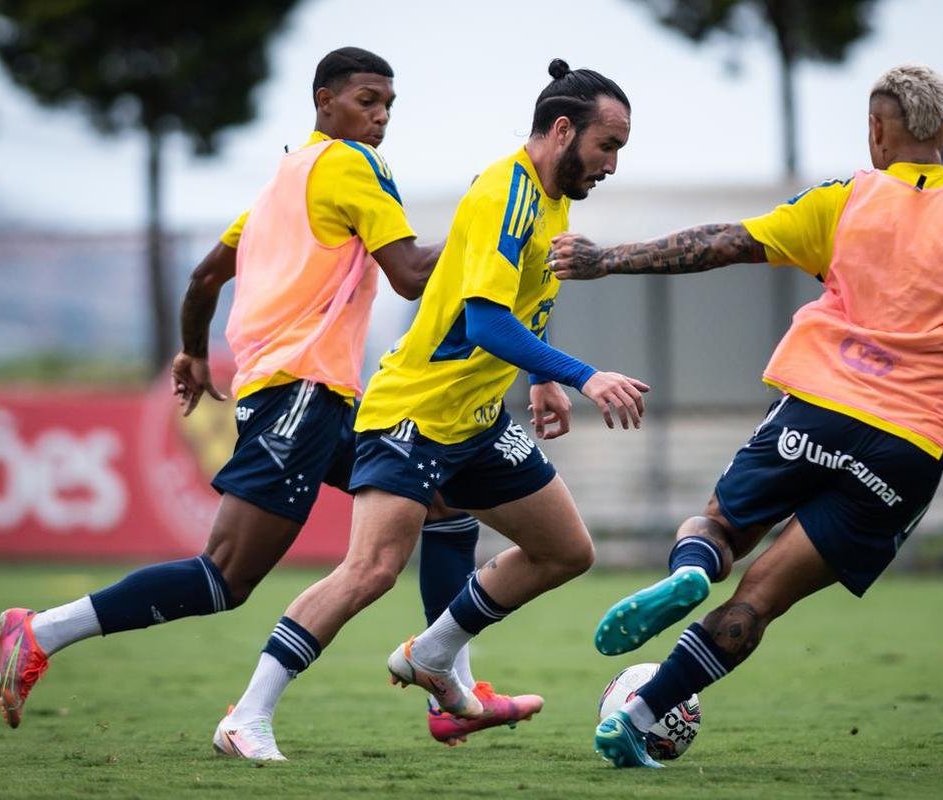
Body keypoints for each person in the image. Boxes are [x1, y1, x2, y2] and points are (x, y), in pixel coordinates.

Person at [0, 47, 530, 749]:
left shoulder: (287, 178)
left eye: (389, 105)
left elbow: (205, 276)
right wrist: (487, 225)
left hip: (323, 397)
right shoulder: (350, 164)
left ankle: (448, 686)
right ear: (323, 101)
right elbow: (407, 273)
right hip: (301, 396)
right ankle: (45, 630)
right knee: (226, 576)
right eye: (368, 100)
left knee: (443, 506)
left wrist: (190, 349)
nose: (380, 117)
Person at [549, 63, 943, 768]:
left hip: (818, 411)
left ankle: (696, 567)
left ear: (875, 131)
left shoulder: (846, 200)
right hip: (908, 446)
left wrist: (610, 259)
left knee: (721, 527)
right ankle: (639, 715)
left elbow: (725, 242)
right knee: (761, 602)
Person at [215, 58, 647, 761]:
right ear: (562, 130)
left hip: (475, 419)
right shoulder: (504, 192)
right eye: (608, 146)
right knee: (370, 571)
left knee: (564, 550)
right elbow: (481, 322)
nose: (612, 164)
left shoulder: (552, 199)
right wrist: (580, 375)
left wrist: (537, 376)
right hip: (413, 412)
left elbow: (517, 301)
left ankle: (434, 653)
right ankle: (247, 716)